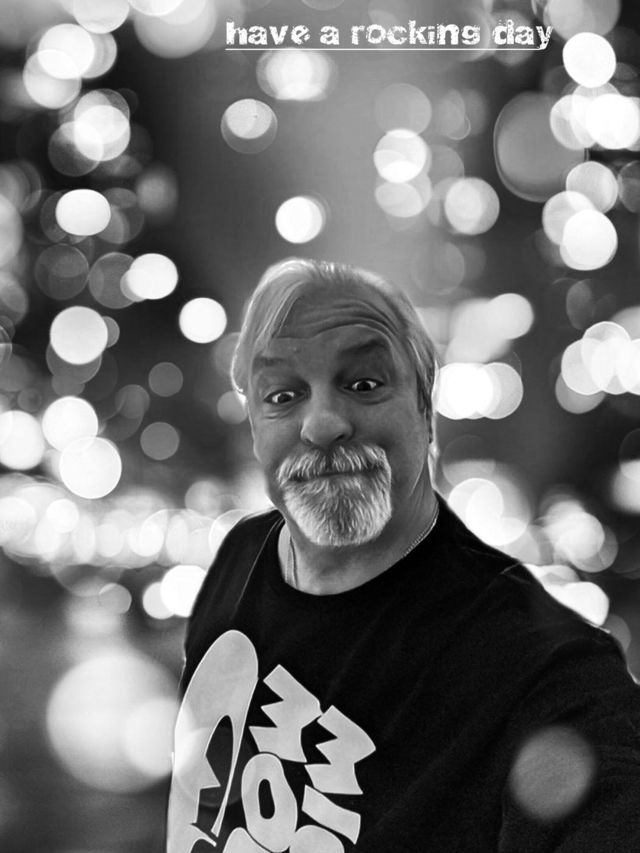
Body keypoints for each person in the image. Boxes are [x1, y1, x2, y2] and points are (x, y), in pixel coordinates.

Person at [166, 258, 640, 853]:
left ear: (425, 407)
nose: (323, 424)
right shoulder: (242, 554)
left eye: (363, 384)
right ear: (256, 429)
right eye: (282, 395)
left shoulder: (541, 670)